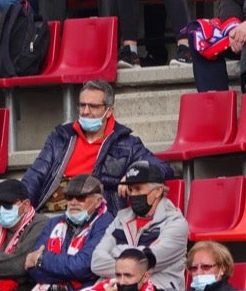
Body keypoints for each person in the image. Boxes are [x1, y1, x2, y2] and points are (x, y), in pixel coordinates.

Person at [22, 80, 169, 211]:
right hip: (52, 212)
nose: (86, 112)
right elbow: (35, 175)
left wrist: (133, 175)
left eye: (93, 106)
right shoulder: (61, 137)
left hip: (96, 213)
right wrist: (22, 205)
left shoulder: (127, 144)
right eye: (82, 105)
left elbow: (163, 168)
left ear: (109, 111)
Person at [89, 160, 189, 291]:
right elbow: (96, 263)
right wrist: (135, 259)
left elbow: (147, 262)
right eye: (130, 190)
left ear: (158, 191)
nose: (133, 194)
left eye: (138, 189)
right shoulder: (120, 218)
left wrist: (116, 251)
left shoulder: (176, 223)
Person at [26, 174, 115, 291]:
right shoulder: (54, 223)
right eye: (68, 197)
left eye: (80, 198)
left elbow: (83, 266)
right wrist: (68, 273)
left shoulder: (106, 223)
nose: (73, 202)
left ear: (98, 201)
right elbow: (32, 269)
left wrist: (41, 259)